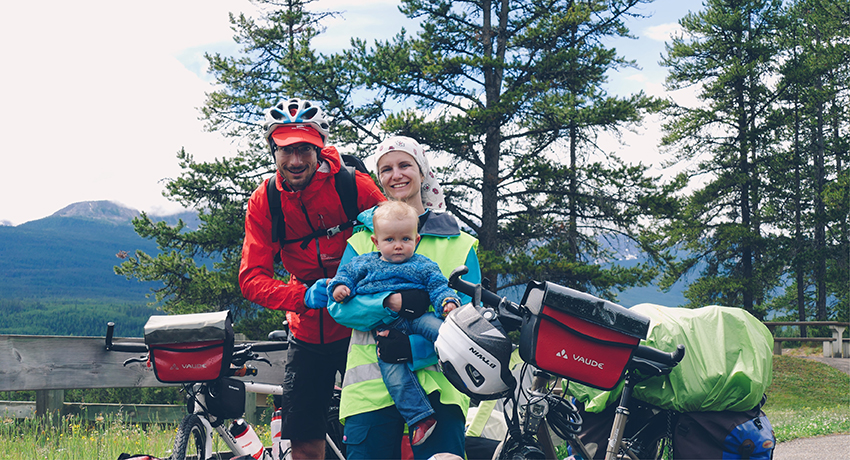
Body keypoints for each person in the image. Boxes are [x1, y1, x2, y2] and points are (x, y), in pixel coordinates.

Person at [305, 135, 482, 459]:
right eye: (386, 169)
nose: (396, 175)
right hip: (369, 393)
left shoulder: (460, 244)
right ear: (379, 178)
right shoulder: (362, 241)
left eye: (404, 165)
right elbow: (339, 308)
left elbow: (469, 322)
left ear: (422, 172)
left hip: (441, 390)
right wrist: (389, 303)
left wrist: (414, 349)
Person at [238, 98, 385, 460]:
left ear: (319, 147)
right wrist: (301, 297)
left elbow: (399, 246)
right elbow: (251, 278)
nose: (295, 160)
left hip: (361, 328)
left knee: (374, 436)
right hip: (306, 332)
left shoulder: (354, 186)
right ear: (273, 150)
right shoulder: (265, 201)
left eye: (304, 148)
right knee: (303, 442)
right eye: (285, 149)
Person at [327, 200, 461, 446]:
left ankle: (466, 356)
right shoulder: (364, 262)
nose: (398, 245)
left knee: (445, 332)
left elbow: (438, 285)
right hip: (386, 329)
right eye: (389, 240)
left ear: (416, 240)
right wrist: (340, 288)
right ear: (376, 242)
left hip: (418, 318)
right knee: (394, 375)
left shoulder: (423, 264)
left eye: (405, 239)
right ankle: (420, 418)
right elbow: (344, 276)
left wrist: (447, 302)